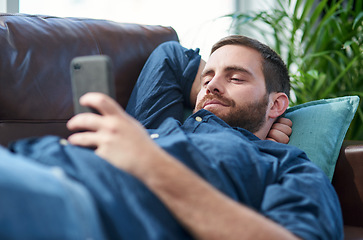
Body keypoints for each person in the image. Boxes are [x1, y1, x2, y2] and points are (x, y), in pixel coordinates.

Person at [0, 35, 342, 240]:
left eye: (236, 78)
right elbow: (171, 54)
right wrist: (220, 87)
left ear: (277, 103)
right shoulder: (157, 121)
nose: (212, 85)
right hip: (29, 160)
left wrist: (150, 162)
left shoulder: (284, 164)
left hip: (82, 205)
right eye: (207, 76)